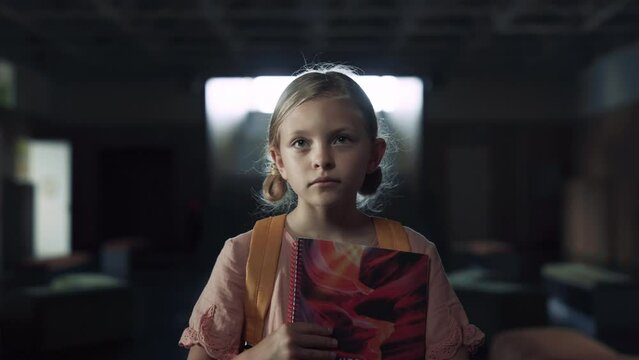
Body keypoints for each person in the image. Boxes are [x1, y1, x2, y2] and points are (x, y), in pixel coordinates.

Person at [179, 65, 485, 360]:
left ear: (373, 154)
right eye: (301, 142)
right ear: (279, 160)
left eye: (341, 139)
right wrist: (261, 355)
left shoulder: (416, 252)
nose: (322, 158)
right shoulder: (243, 254)